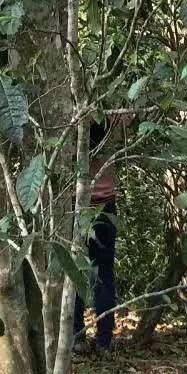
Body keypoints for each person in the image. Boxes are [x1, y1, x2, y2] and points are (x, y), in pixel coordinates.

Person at [73, 117, 121, 355]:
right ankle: (103, 340)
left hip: (79, 207)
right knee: (104, 274)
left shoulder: (76, 121)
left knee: (76, 272)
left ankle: (77, 337)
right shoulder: (113, 121)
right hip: (104, 207)